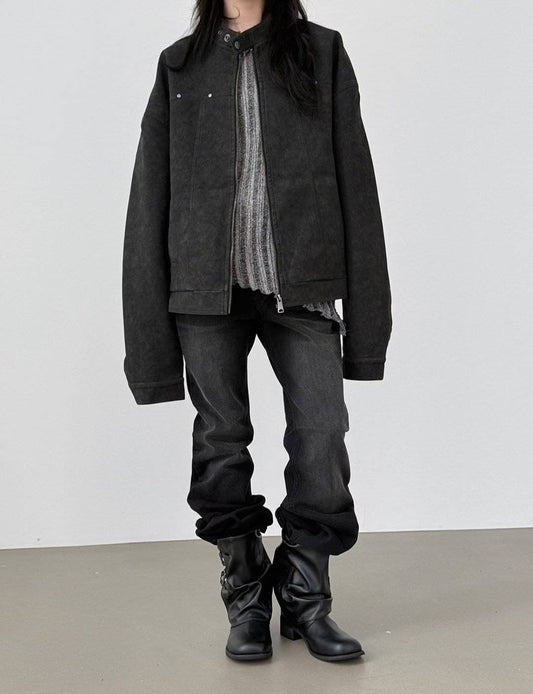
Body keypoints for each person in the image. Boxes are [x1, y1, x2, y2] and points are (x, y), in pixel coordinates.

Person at [122, 0, 392, 663]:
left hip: (301, 285)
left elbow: (356, 180)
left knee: (321, 434)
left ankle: (305, 596)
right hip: (204, 290)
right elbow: (149, 196)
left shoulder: (320, 52)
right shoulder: (180, 65)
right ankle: (245, 597)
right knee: (220, 440)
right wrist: (148, 348)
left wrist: (369, 327)